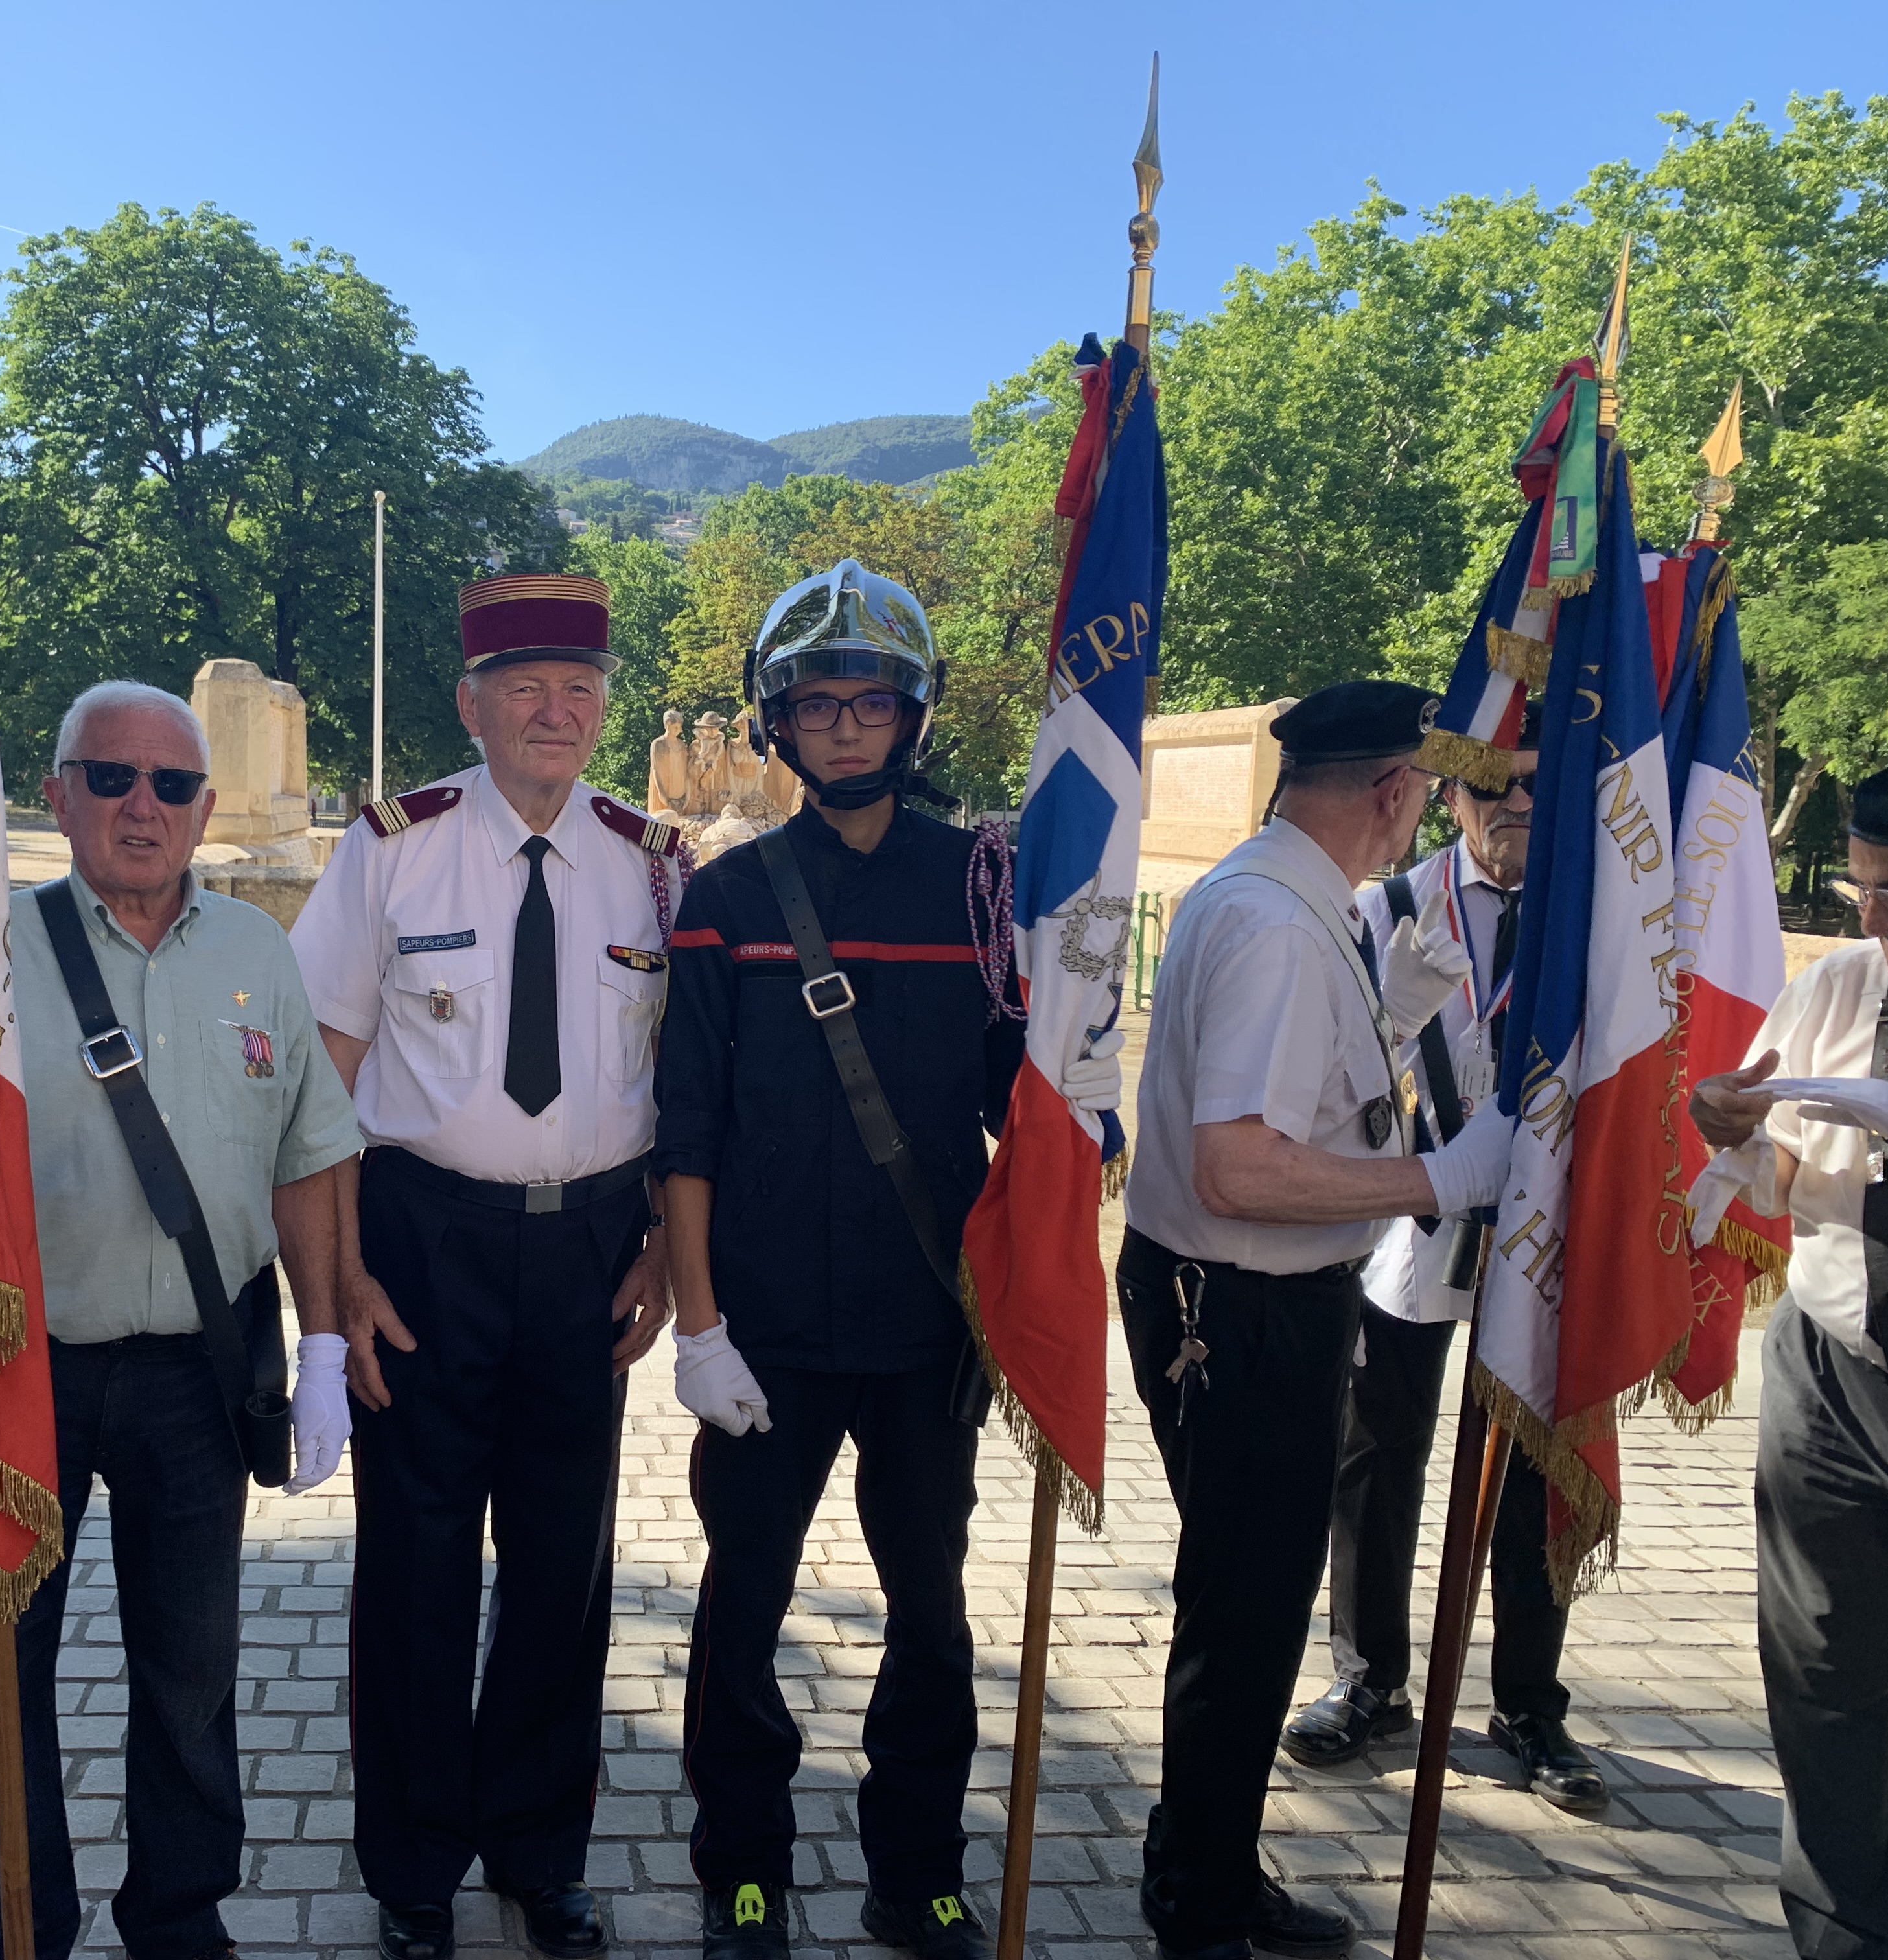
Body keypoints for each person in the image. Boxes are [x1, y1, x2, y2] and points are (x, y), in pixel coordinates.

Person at [0, 681, 361, 1960]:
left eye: (175, 786)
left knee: (189, 1678)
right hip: (13, 1371)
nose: (146, 807)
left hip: (199, 1375)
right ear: (57, 791)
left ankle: (180, 1918)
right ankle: (11, 1921)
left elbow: (310, 1160)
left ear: (199, 811)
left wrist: (325, 1348)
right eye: (114, 778)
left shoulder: (259, 956)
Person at [653, 561, 1067, 1960]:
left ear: (913, 717)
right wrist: (697, 1325)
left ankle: (916, 1871)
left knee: (933, 1617)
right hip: (762, 1330)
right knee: (745, 1605)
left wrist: (1091, 1078)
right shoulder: (721, 899)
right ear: (776, 722)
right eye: (816, 703)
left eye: (870, 702)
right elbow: (686, 1130)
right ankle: (745, 1867)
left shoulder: (981, 888)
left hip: (924, 1325)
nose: (844, 726)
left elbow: (1031, 1090)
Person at [288, 573, 681, 1960]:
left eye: (580, 687)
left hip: (592, 1248)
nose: (556, 711)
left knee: (563, 1565)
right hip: (421, 1241)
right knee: (415, 1563)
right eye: (525, 686)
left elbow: (682, 1085)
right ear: (471, 702)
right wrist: (330, 1289)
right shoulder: (391, 852)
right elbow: (316, 1089)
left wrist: (664, 1256)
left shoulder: (653, 861)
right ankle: (411, 1864)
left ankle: (536, 1845)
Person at [1117, 679, 1512, 1960]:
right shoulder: (1281, 926)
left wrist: (1389, 1011)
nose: (1417, 833)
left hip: (1240, 1304)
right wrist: (1438, 1180)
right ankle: (1202, 1896)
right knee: (1245, 1616)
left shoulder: (1291, 897)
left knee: (1244, 1605)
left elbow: (1302, 1094)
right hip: (1243, 1311)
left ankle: (1203, 1862)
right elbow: (1241, 1165)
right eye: (1419, 802)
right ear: (1394, 791)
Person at [1281, 705, 1603, 1812]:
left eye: (1536, 787)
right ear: (1448, 795)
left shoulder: (1599, 917)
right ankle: (1369, 1677)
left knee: (1523, 1471)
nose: (1514, 806)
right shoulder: (1386, 905)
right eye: (1489, 787)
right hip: (1413, 1217)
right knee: (1378, 1456)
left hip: (1543, 1228)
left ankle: (1529, 1703)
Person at [1687, 754, 1888, 1960]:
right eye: (1865, 890)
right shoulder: (1843, 985)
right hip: (1834, 1375)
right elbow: (1775, 1174)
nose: (1880, 920)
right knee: (1827, 1678)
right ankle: (1848, 1935)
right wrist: (1729, 1128)